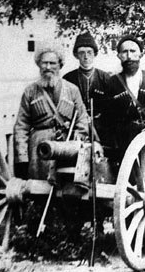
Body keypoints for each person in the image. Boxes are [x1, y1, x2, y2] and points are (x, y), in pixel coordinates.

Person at [14, 44, 89, 181]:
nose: (48, 67)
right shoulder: (30, 91)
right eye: (44, 63)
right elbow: (21, 125)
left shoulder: (72, 90)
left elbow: (82, 119)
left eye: (52, 63)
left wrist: (78, 138)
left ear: (60, 65)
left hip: (65, 146)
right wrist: (22, 156)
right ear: (39, 65)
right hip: (39, 149)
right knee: (38, 189)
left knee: (66, 187)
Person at [103, 35, 145, 159]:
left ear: (140, 54)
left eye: (133, 51)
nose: (129, 56)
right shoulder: (112, 82)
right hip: (123, 143)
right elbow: (108, 119)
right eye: (124, 52)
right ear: (119, 56)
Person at [62, 31, 110, 143]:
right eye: (81, 53)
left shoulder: (105, 78)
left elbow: (111, 108)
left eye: (89, 52)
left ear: (95, 54)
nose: (86, 57)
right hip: (76, 126)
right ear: (76, 55)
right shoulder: (68, 78)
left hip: (102, 128)